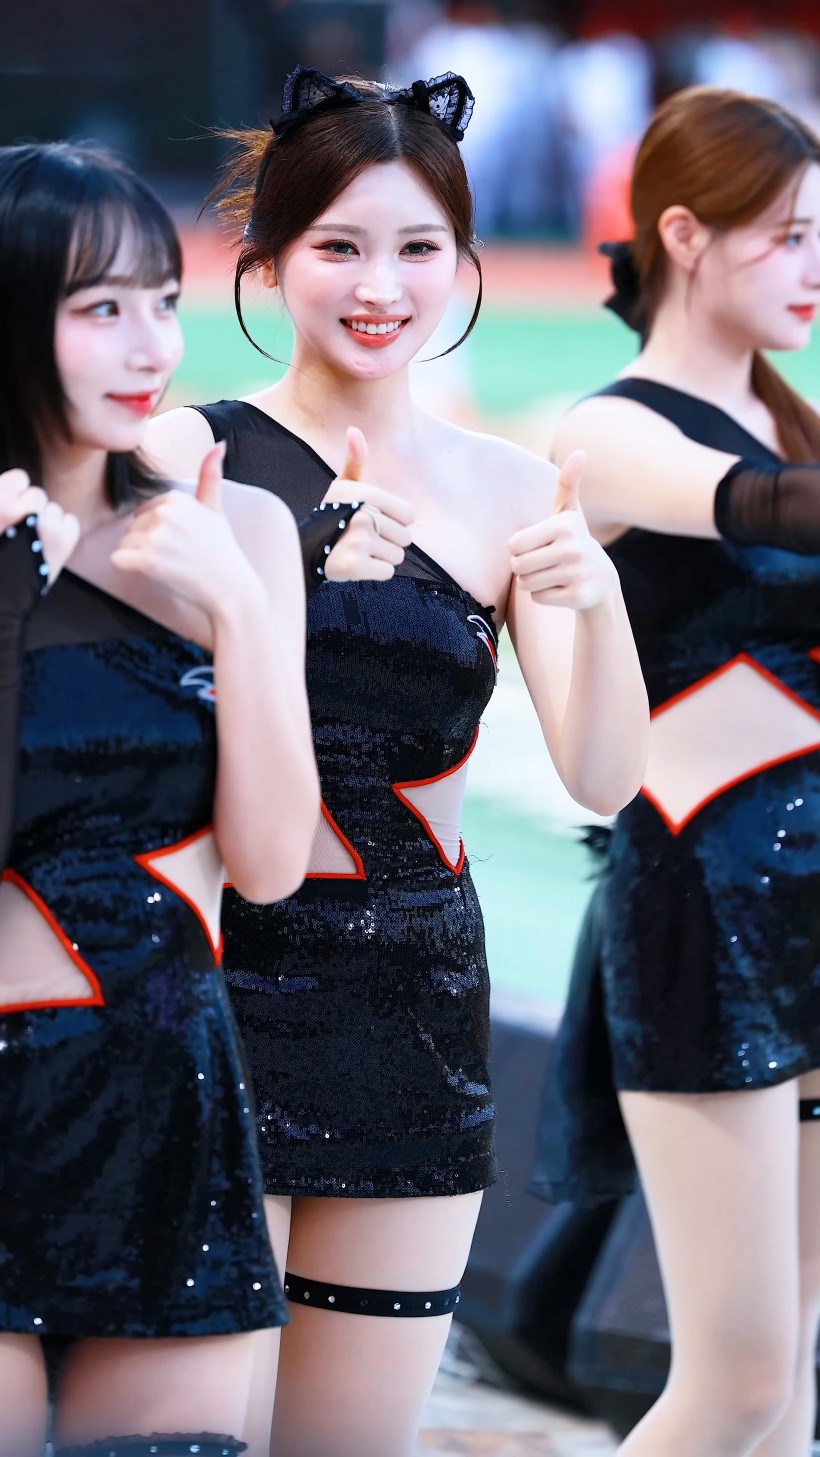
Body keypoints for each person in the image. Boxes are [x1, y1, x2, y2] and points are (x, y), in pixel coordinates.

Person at [146, 64, 648, 1457]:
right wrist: (287, 571)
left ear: (466, 263)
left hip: (415, 1019)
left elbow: (604, 777)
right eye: (340, 247)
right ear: (268, 260)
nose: (382, 285)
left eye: (420, 247)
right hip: (208, 997)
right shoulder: (189, 455)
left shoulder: (513, 487)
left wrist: (600, 602)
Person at [0, 142, 319, 1457]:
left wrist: (237, 609)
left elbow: (274, 862)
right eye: (100, 308)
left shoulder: (235, 528)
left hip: (167, 1103)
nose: (150, 346)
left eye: (163, 300)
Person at [543, 86, 820, 1457]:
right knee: (739, 1382)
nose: (815, 266)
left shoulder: (788, 421)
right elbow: (760, 514)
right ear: (685, 235)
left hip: (807, 900)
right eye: (789, 235)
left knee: (797, 1372)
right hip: (704, 916)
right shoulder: (610, 430)